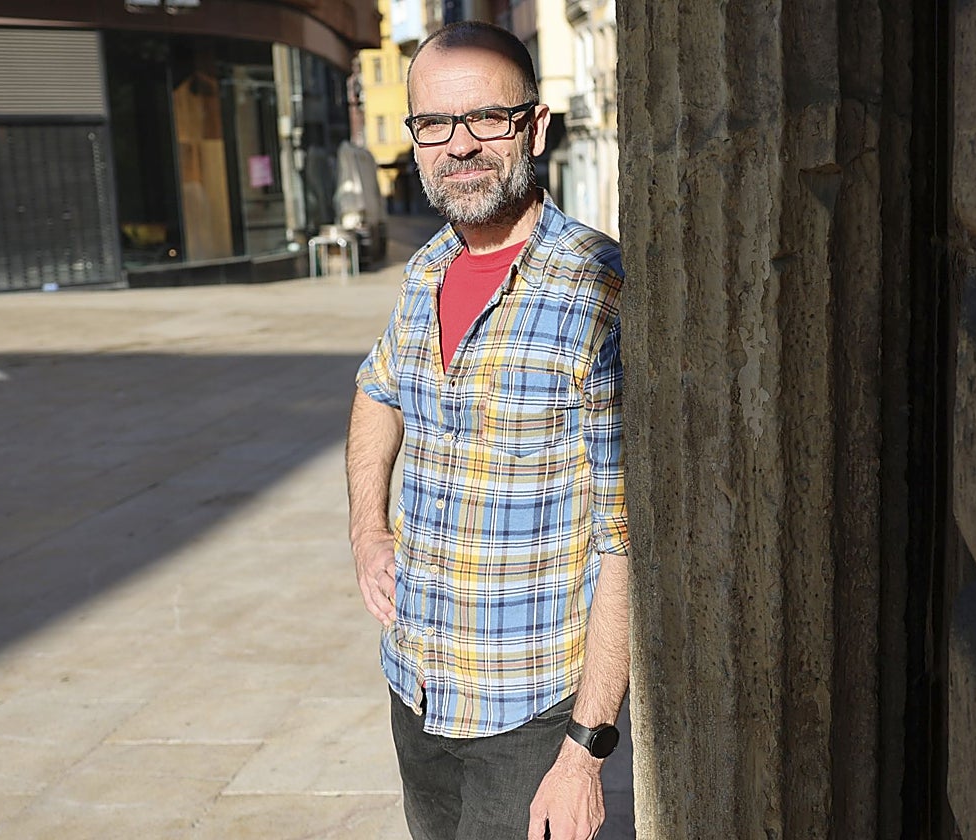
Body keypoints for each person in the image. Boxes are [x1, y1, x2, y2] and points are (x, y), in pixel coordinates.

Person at [345, 21, 629, 840]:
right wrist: (369, 530)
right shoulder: (429, 265)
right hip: (417, 690)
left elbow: (627, 541)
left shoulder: (597, 291)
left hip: (529, 717)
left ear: (534, 128)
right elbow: (377, 391)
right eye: (434, 123)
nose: (458, 146)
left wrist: (584, 753)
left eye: (487, 120)